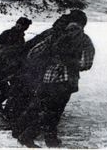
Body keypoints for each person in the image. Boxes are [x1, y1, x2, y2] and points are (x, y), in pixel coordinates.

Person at [16, 10, 95, 148]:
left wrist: (49, 60)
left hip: (48, 79)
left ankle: (49, 139)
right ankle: (27, 137)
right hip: (66, 81)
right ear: (83, 24)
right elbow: (85, 64)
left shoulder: (55, 35)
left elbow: (33, 54)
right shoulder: (84, 39)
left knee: (45, 108)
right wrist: (71, 63)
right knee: (54, 112)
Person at [0, 17, 32, 116]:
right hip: (2, 65)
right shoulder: (7, 34)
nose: (22, 28)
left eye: (25, 27)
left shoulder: (20, 37)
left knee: (10, 87)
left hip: (13, 66)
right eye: (21, 25)